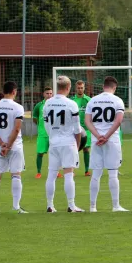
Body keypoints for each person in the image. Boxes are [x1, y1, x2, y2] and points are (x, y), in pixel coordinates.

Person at [85, 76, 128, 212]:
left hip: (96, 141)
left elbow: (87, 121)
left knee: (96, 174)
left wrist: (98, 136)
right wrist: (107, 136)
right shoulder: (117, 101)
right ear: (114, 88)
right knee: (113, 173)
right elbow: (119, 121)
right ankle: (115, 206)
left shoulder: (92, 100)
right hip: (112, 141)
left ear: (103, 86)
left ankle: (93, 207)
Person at [44, 76, 85, 213]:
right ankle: (71, 205)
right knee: (68, 173)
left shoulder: (47, 103)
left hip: (53, 142)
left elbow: (46, 125)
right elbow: (77, 128)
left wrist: (53, 136)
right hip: (68, 142)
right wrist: (78, 145)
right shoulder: (71, 104)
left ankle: (50, 205)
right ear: (68, 88)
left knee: (51, 174)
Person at [0, 81, 27, 214]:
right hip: (14, 146)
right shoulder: (18, 107)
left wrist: (1, 144)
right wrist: (8, 146)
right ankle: (16, 207)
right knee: (16, 174)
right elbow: (16, 129)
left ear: (3, 91)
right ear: (14, 91)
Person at [32, 87, 53, 179]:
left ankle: (56, 172)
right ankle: (39, 172)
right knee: (40, 153)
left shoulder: (55, 105)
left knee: (54, 154)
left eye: (50, 93)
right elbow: (35, 118)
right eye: (47, 93)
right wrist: (41, 127)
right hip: (42, 134)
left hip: (53, 134)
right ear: (43, 94)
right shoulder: (38, 105)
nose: (49, 95)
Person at [72, 80, 92, 176]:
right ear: (75, 89)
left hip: (86, 129)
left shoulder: (88, 100)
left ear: (84, 88)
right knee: (73, 149)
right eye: (78, 88)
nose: (80, 89)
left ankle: (87, 170)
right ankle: (72, 170)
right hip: (74, 130)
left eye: (81, 88)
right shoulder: (71, 100)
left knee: (86, 149)